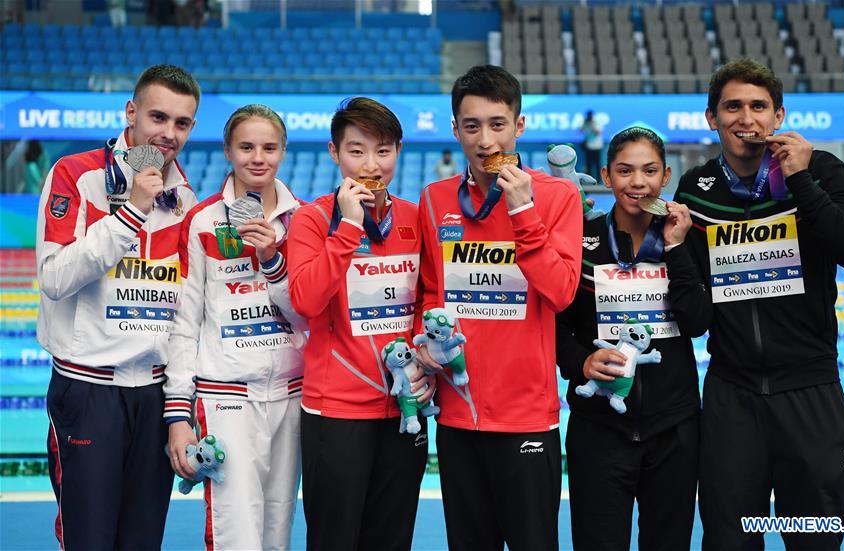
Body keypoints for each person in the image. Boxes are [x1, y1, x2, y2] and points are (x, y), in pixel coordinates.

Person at [674, 58, 844, 550]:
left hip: (810, 391)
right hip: (732, 396)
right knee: (730, 540)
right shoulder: (697, 191)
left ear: (779, 116)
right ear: (712, 118)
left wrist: (803, 181)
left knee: (814, 539)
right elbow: (695, 314)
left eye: (758, 106)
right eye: (733, 106)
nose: (746, 118)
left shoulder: (822, 169)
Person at [416, 65, 583, 550]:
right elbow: (432, 294)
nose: (485, 139)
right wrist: (424, 342)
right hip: (457, 416)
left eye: (497, 124)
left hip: (527, 419)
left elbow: (561, 293)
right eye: (472, 126)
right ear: (455, 130)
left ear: (519, 126)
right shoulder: (434, 200)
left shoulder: (556, 197)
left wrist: (522, 212)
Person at [36, 64, 200, 550]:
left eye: (182, 123)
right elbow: (54, 278)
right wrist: (131, 213)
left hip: (152, 398)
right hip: (88, 393)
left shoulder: (185, 198)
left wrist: (179, 410)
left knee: (142, 542)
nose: (168, 134)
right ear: (131, 113)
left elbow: (183, 317)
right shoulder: (76, 175)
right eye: (158, 117)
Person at [286, 97, 434, 551]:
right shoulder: (312, 219)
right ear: (334, 153)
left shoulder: (415, 217)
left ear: (399, 151)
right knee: (335, 540)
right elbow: (307, 300)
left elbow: (430, 298)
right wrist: (348, 229)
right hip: (337, 412)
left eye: (383, 151)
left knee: (391, 540)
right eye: (357, 151)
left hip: (404, 408)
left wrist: (426, 361)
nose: (371, 164)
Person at [556, 127, 706, 550]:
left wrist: (675, 249)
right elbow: (554, 323)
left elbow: (697, 320)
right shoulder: (582, 241)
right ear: (606, 176)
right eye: (624, 171)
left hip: (674, 428)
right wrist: (581, 361)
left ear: (666, 176)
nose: (637, 182)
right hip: (599, 429)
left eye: (649, 171)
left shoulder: (685, 239)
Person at [164, 104, 306, 550]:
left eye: (269, 147)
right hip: (227, 395)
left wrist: (274, 261)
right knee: (236, 529)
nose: (257, 157)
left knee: (278, 523)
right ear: (228, 150)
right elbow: (185, 323)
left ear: (283, 152)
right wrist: (178, 412)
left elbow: (307, 312)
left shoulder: (303, 220)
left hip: (292, 393)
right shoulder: (203, 222)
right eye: (246, 146)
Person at [581, 109, 603, 178]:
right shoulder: (586, 122)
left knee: (597, 164)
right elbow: (581, 130)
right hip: (589, 146)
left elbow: (597, 132)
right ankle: (589, 179)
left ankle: (599, 180)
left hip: (596, 146)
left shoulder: (596, 122)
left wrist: (592, 124)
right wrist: (585, 123)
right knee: (589, 164)